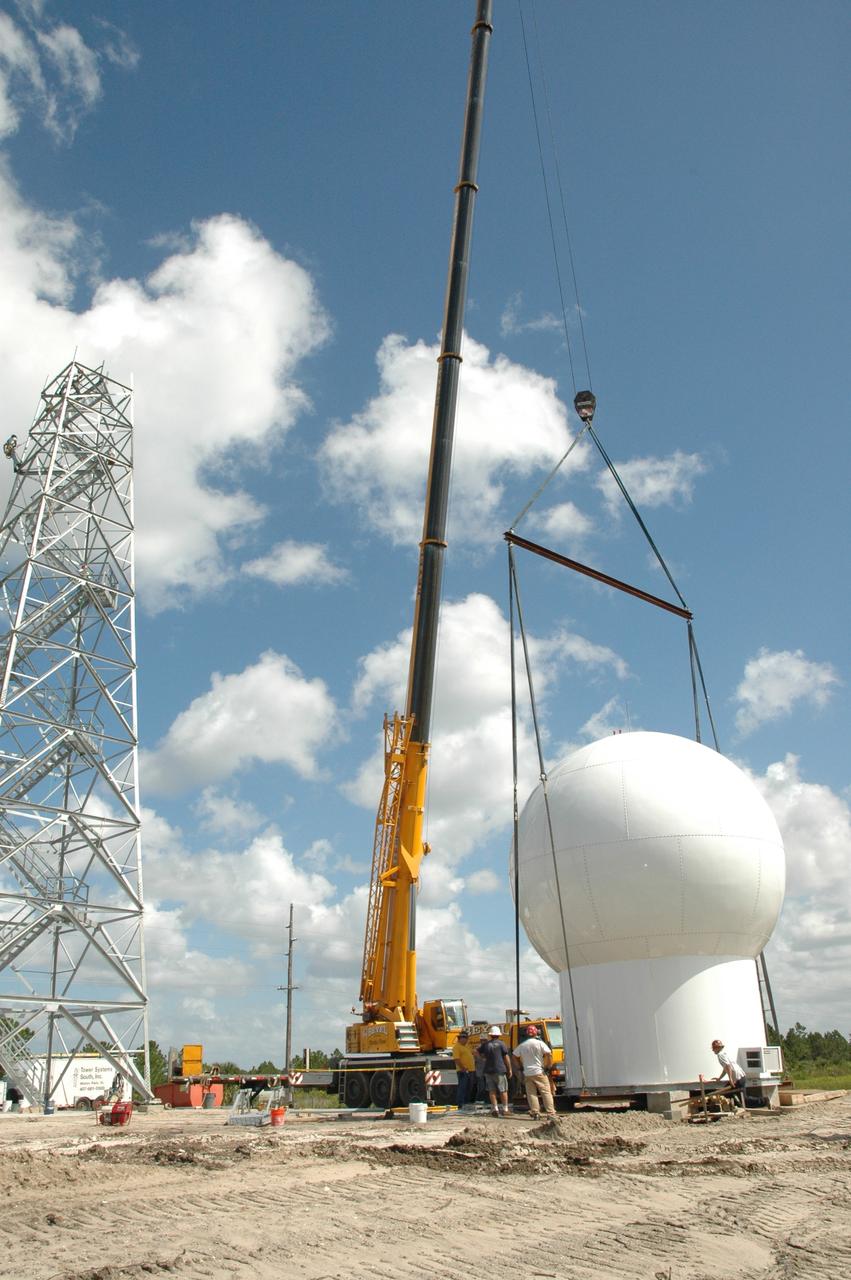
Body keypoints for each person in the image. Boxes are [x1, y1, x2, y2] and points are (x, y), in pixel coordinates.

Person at [512, 1024, 556, 1119]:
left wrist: (519, 1067)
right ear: (536, 1033)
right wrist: (548, 1066)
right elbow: (549, 1054)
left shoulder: (522, 1045)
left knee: (531, 1093)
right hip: (539, 1071)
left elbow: (514, 1056)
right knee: (546, 1092)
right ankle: (551, 1113)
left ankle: (535, 1112)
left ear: (527, 1034)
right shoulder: (540, 1043)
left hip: (528, 1073)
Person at [477, 1025, 512, 1117]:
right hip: (499, 1070)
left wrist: (483, 1058)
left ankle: (495, 1108)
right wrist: (510, 1069)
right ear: (498, 1035)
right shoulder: (501, 1044)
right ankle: (505, 1109)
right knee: (503, 1090)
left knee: (491, 1090)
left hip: (488, 1071)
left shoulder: (486, 1044)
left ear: (490, 1035)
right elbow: (506, 1057)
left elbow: (477, 1051)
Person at [711, 1038, 747, 1108]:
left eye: (714, 1048)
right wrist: (719, 1078)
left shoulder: (720, 1055)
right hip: (741, 1076)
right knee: (730, 1094)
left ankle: (763, 1101)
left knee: (726, 1093)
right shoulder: (724, 1054)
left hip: (737, 1078)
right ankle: (737, 1106)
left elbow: (728, 1066)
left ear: (717, 1048)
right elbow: (726, 1068)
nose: (713, 1050)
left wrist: (730, 1079)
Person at [451, 1031, 476, 1110]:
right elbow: (456, 1059)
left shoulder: (467, 1046)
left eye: (465, 1038)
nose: (465, 1040)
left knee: (469, 1087)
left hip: (471, 1070)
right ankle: (461, 1104)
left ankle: (466, 1103)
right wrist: (463, 1068)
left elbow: (473, 1054)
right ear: (460, 1038)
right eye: (463, 1038)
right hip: (463, 1071)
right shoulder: (457, 1047)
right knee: (462, 1087)